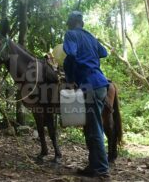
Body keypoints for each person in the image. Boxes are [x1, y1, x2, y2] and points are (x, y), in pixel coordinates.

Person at [63, 11, 110, 179]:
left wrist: (68, 71)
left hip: (90, 85)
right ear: (81, 23)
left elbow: (71, 54)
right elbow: (103, 53)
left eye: (68, 22)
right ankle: (93, 165)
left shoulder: (70, 34)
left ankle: (102, 170)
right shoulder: (90, 36)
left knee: (95, 127)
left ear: (71, 22)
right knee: (90, 127)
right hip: (100, 83)